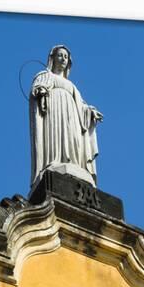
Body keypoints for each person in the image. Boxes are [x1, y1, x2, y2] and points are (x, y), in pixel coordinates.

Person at [29, 45, 103, 188]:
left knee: (74, 139)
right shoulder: (45, 75)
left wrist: (90, 112)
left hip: (72, 116)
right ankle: (55, 161)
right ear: (52, 58)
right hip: (54, 111)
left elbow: (81, 106)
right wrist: (41, 91)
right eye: (60, 55)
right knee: (55, 135)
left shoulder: (72, 86)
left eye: (66, 57)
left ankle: (75, 164)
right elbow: (37, 87)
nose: (63, 59)